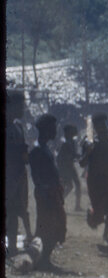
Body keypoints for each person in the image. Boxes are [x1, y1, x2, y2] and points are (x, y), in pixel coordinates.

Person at [80, 113, 108, 244]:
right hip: (94, 179)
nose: (102, 129)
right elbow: (82, 163)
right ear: (94, 128)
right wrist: (88, 153)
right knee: (98, 214)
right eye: (98, 126)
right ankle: (91, 213)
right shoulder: (88, 143)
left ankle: (105, 235)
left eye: (103, 125)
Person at [28, 114, 66, 269]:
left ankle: (45, 259)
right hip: (46, 193)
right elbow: (36, 174)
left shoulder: (44, 148)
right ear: (44, 129)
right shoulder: (37, 149)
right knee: (48, 225)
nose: (55, 131)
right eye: (52, 128)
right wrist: (46, 189)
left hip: (51, 192)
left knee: (54, 224)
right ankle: (43, 260)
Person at [6, 90, 31, 258]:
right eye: (20, 106)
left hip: (19, 175)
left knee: (16, 211)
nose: (23, 109)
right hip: (8, 176)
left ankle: (13, 246)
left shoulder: (18, 127)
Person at [57, 123, 83, 212]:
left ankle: (75, 206)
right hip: (66, 167)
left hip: (69, 166)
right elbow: (66, 156)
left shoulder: (71, 142)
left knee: (73, 185)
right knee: (70, 186)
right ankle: (59, 203)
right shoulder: (66, 143)